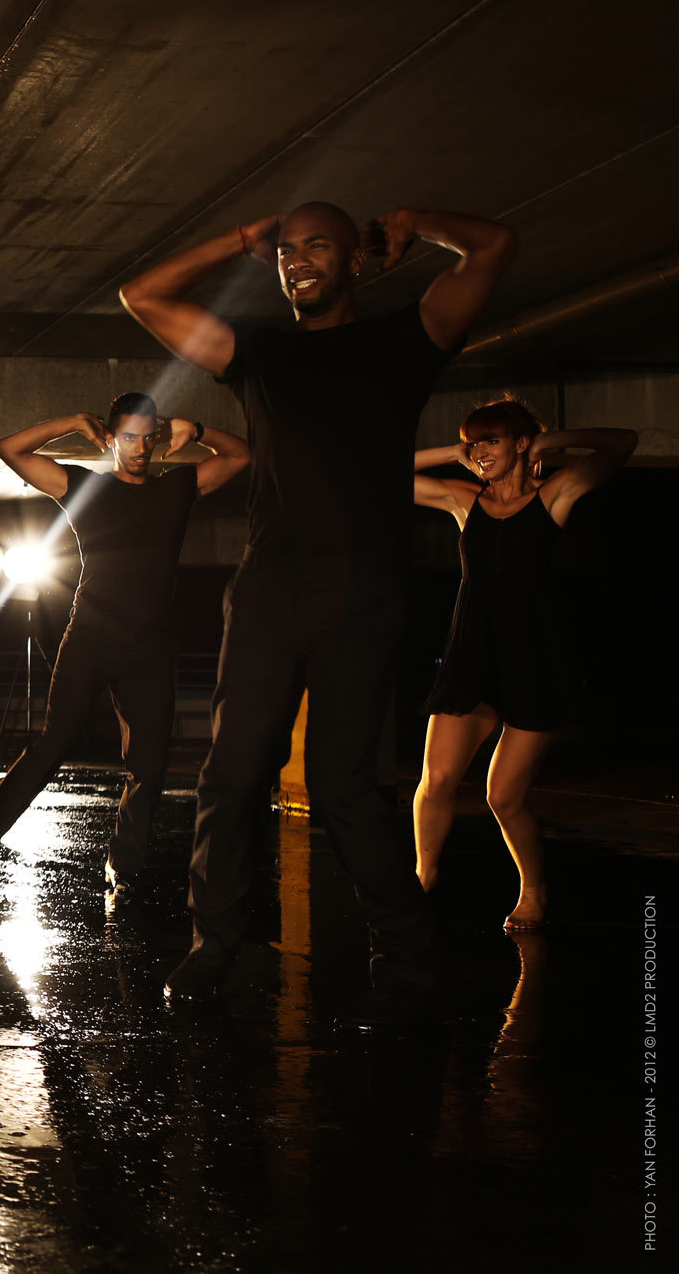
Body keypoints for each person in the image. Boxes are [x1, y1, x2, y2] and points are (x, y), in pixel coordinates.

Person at [121, 201, 515, 1027]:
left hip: (362, 590)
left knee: (344, 785)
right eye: (286, 252)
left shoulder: (408, 338)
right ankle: (215, 945)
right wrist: (240, 239)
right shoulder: (258, 352)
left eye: (316, 246)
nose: (296, 261)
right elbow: (142, 295)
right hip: (269, 585)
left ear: (355, 258)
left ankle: (409, 964)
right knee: (232, 772)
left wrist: (417, 224)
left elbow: (493, 246)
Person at [0, 394, 251, 902]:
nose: (139, 448)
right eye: (129, 437)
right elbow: (9, 449)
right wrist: (72, 422)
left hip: (150, 648)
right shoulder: (85, 488)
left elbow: (243, 455)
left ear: (157, 438)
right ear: (112, 439)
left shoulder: (178, 487)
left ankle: (124, 865)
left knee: (150, 764)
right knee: (52, 746)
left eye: (147, 437)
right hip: (91, 637)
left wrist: (199, 430)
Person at [411, 398, 635, 929]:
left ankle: (534, 892)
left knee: (504, 799)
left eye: (490, 440)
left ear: (519, 443)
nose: (479, 451)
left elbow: (622, 442)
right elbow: (376, 474)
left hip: (532, 661)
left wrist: (550, 442)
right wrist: (453, 452)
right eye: (473, 442)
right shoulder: (464, 499)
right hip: (471, 658)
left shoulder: (553, 496)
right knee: (436, 779)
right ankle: (421, 880)